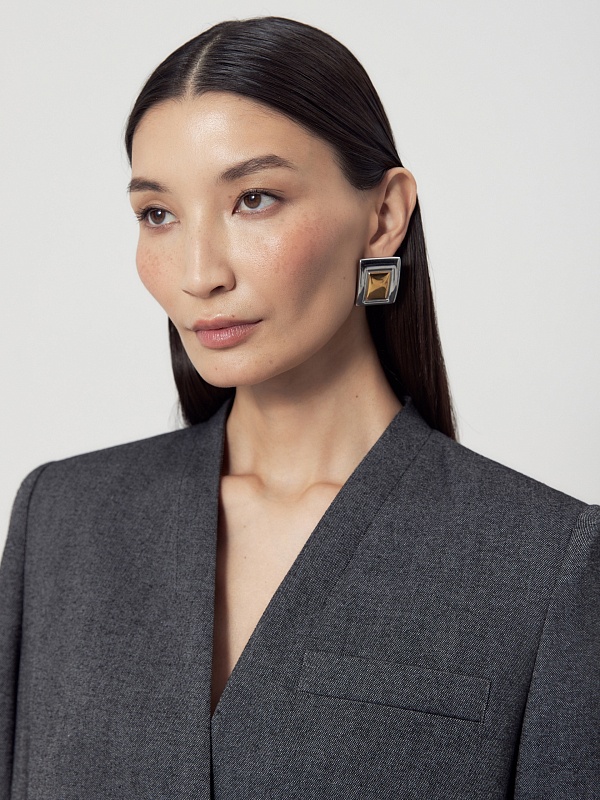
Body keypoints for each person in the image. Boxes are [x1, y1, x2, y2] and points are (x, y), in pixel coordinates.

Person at [0, 16, 597, 800]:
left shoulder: (545, 562)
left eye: (254, 199)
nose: (198, 273)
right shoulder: (62, 521)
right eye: (158, 214)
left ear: (384, 216)